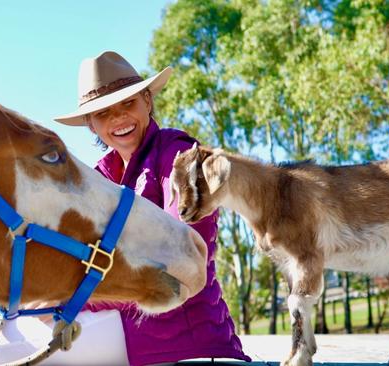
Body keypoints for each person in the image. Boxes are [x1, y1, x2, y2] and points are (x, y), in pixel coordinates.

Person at [53, 51, 251, 366]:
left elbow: (181, 262)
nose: (118, 119)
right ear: (90, 124)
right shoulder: (99, 178)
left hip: (186, 342)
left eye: (128, 103)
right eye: (103, 113)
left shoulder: (181, 156)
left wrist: (72, 299)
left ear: (147, 100)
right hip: (126, 329)